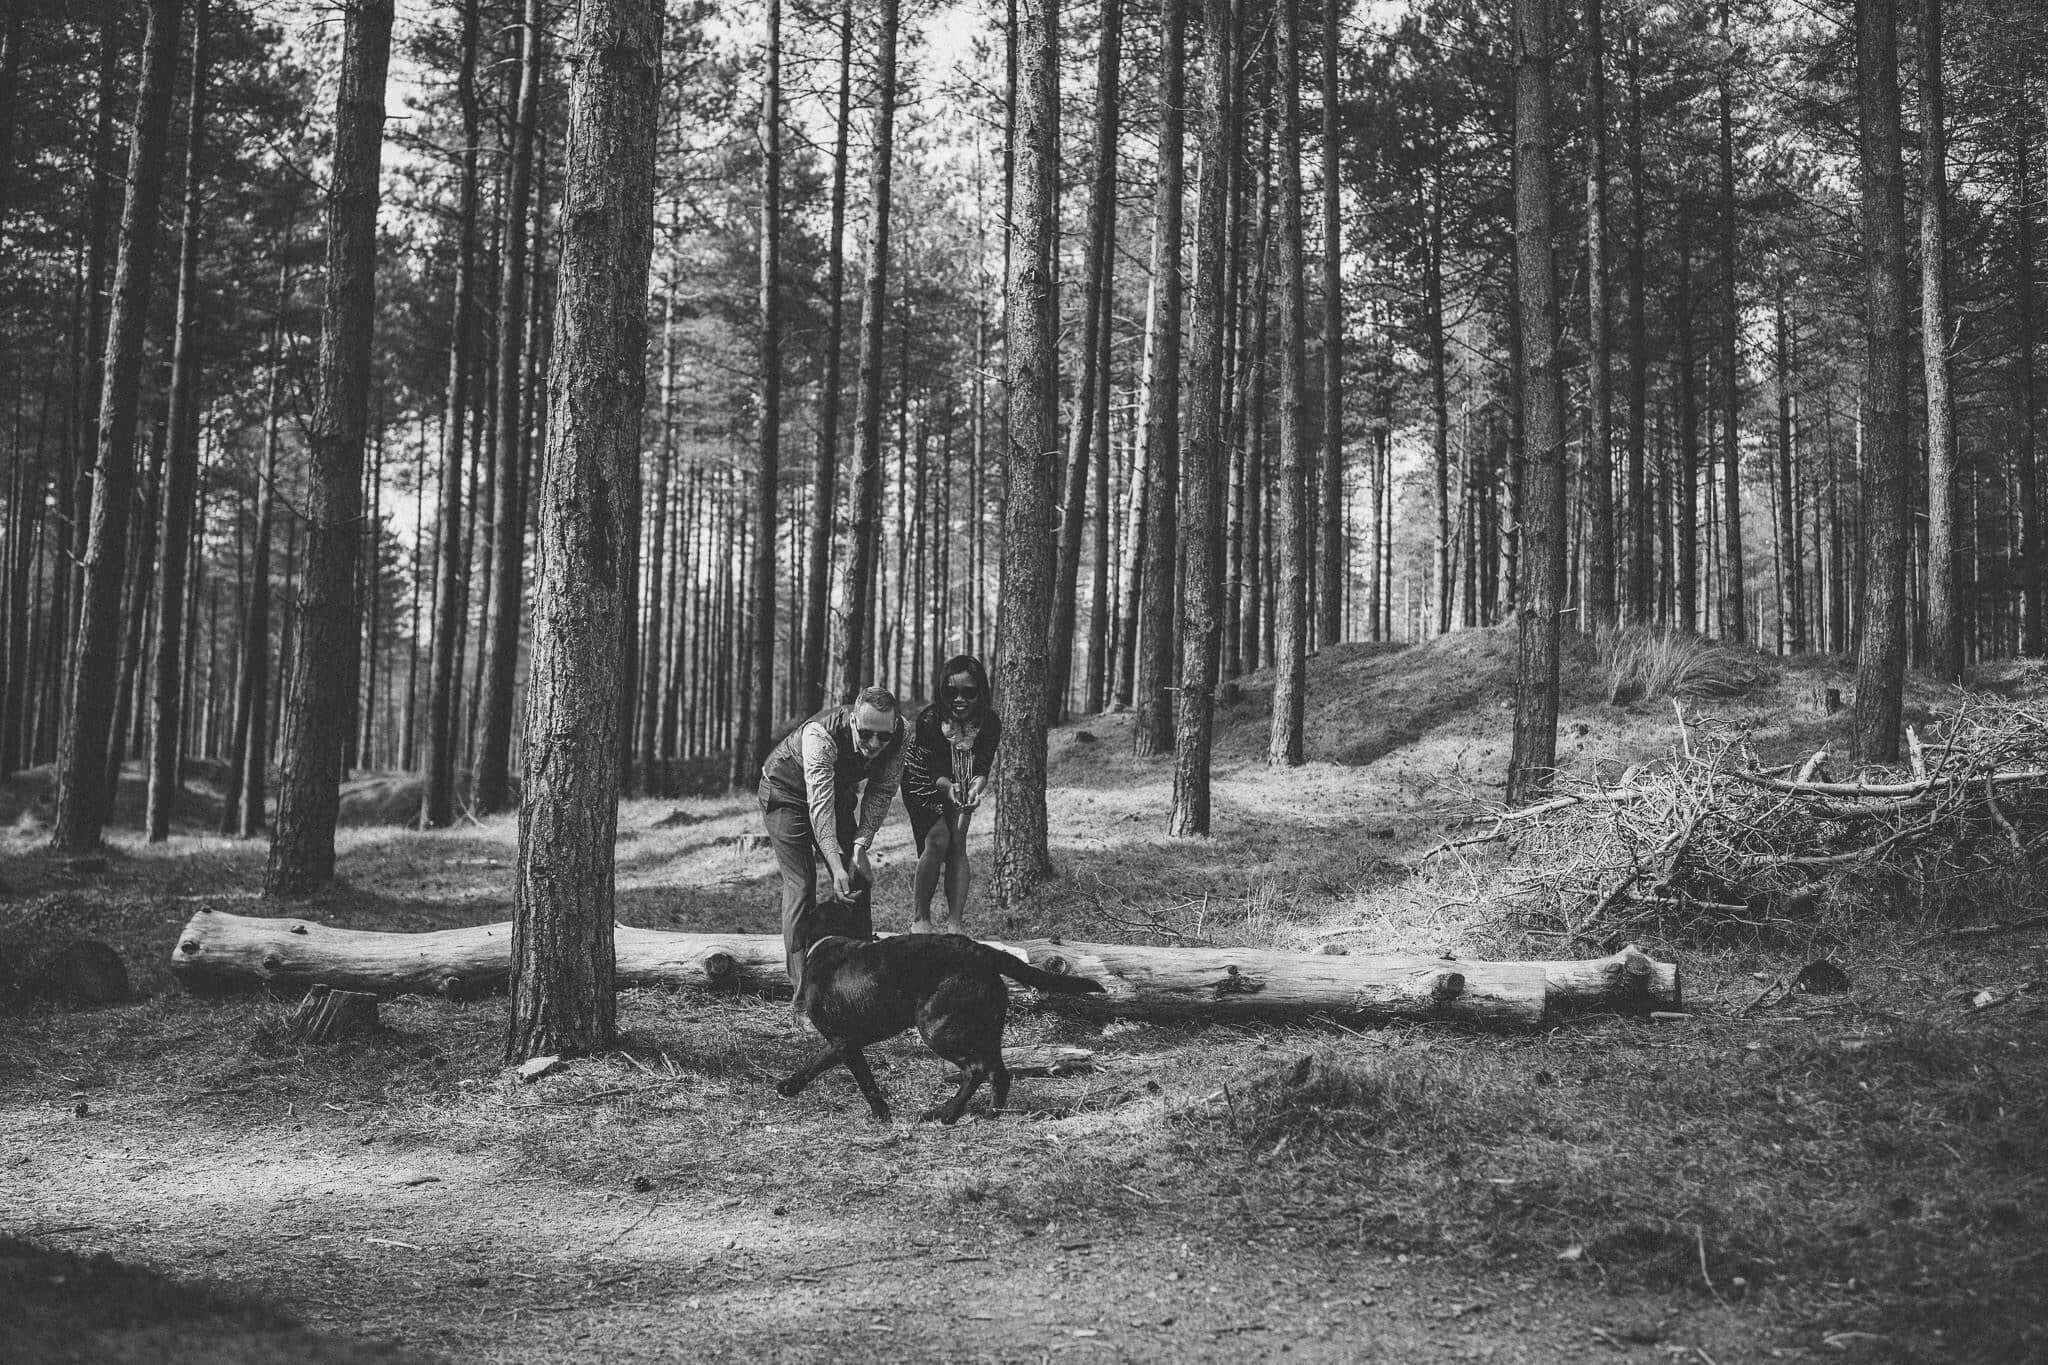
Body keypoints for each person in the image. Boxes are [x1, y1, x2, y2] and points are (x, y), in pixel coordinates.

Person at [758, 685, 906, 990]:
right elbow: (820, 809)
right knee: (801, 884)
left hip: (835, 793)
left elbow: (881, 793)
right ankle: (803, 993)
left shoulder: (904, 733)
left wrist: (860, 845)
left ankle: (864, 976)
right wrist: (835, 866)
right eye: (865, 734)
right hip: (786, 791)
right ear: (853, 721)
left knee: (857, 878)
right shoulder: (819, 736)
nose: (875, 743)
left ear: (894, 727)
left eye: (884, 736)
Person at [902, 654, 1001, 936]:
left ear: (980, 692)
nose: (959, 699)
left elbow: (983, 765)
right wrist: (950, 788)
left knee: (957, 842)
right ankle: (921, 920)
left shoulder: (990, 722)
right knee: (937, 839)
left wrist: (974, 790)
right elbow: (934, 769)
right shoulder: (930, 719)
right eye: (951, 691)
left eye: (968, 692)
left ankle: (955, 925)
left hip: (963, 779)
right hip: (922, 779)